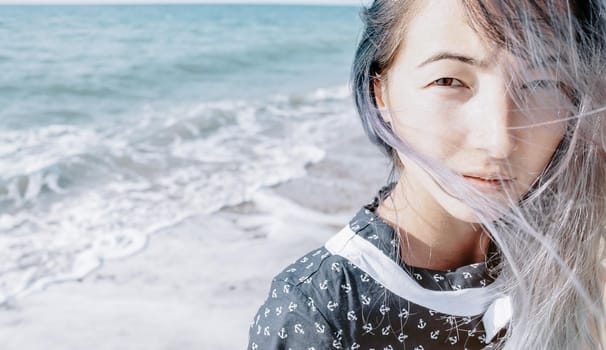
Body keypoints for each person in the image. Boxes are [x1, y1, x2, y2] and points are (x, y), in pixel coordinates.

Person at [247, 0, 606, 349]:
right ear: (381, 91)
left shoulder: (581, 249)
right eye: (449, 80)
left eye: (542, 82)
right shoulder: (320, 314)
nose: (499, 141)